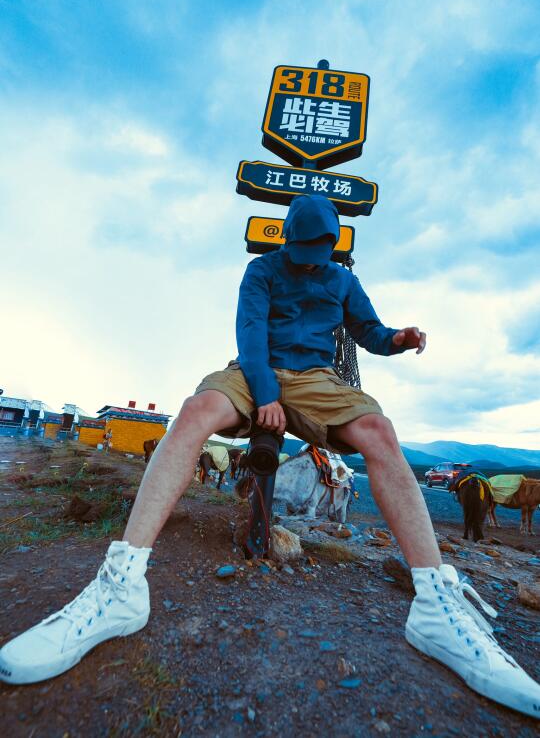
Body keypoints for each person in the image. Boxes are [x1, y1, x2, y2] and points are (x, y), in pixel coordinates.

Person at [0, 196, 538, 719]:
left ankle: (435, 606)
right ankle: (121, 585)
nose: (310, 259)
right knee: (194, 411)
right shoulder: (261, 270)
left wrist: (397, 338)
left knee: (380, 430)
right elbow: (251, 334)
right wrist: (265, 394)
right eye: (302, 249)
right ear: (288, 239)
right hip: (254, 368)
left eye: (320, 250)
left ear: (332, 243)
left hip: (317, 378)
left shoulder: (343, 280)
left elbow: (367, 332)